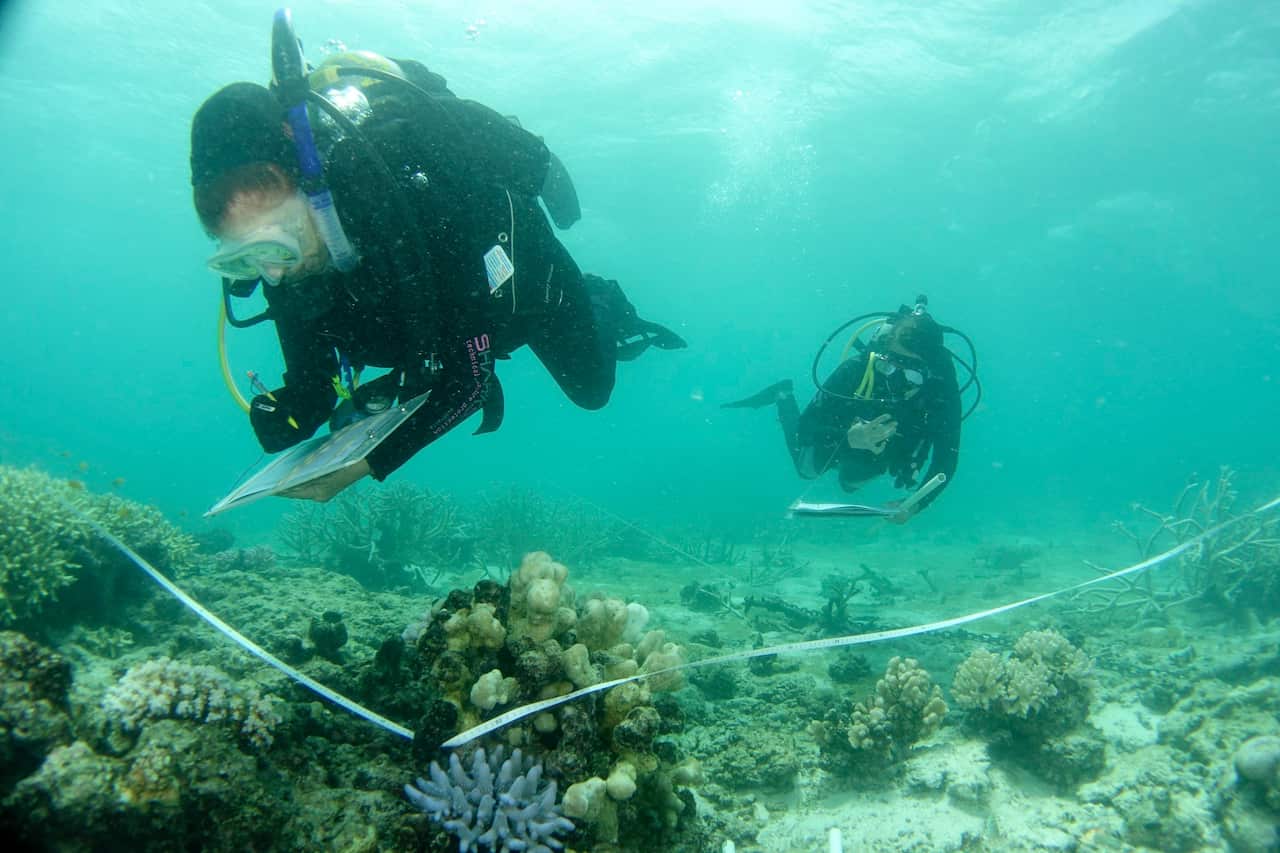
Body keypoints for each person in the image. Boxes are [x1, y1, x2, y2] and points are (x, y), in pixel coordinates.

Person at [190, 41, 685, 501]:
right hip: (442, 324)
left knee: (592, 391)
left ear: (313, 191)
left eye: (278, 244)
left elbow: (469, 382)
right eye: (244, 257)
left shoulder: (409, 204)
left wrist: (358, 468)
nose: (272, 273)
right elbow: (314, 382)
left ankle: (600, 298)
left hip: (523, 286)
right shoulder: (284, 265)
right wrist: (293, 410)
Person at [723, 300, 964, 522]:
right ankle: (783, 396)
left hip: (892, 445)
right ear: (881, 352)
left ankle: (853, 468)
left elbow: (946, 458)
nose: (896, 380)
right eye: (888, 364)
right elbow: (806, 428)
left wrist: (916, 505)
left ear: (929, 370)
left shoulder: (942, 394)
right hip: (841, 431)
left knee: (851, 483)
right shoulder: (856, 369)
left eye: (911, 372)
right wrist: (848, 437)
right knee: (806, 470)